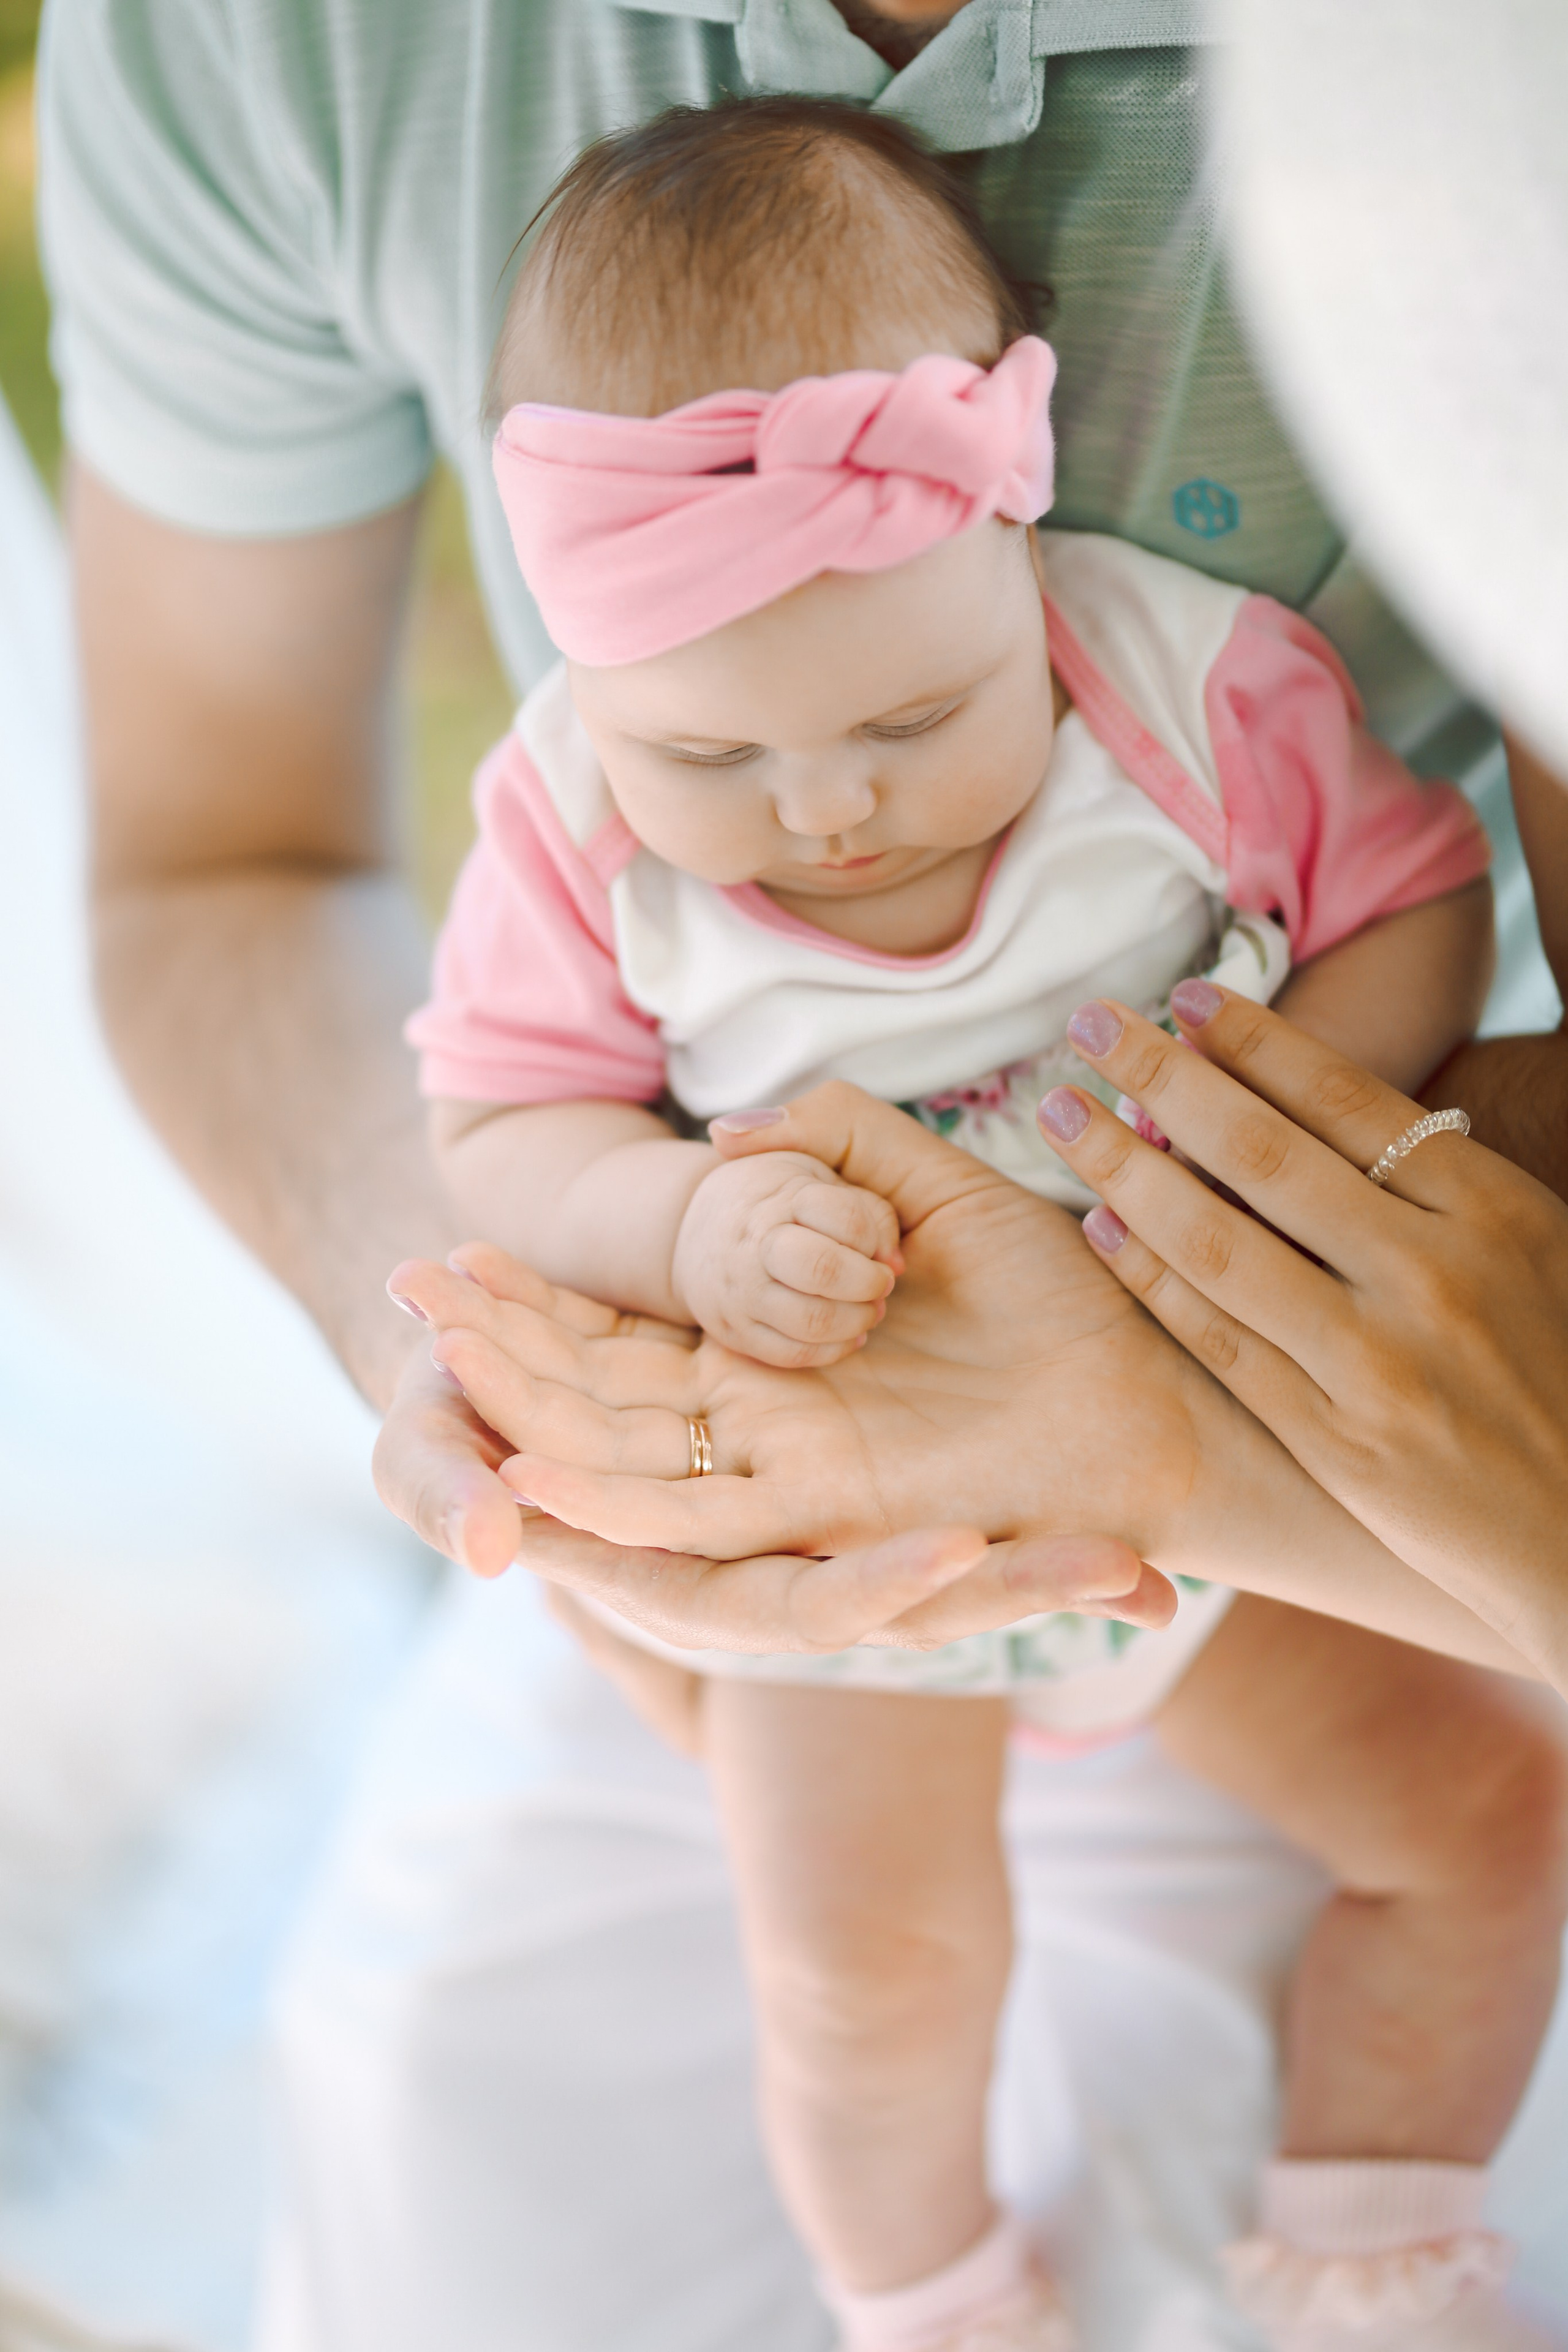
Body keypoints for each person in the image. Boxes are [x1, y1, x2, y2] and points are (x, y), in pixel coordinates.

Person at [387, 102, 1566, 2352]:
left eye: (916, 717)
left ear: (1017, 549)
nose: (825, 810)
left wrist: (1275, 1108)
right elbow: (502, 1110)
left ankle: (1372, 2253)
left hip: (1227, 1460)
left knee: (1486, 1817)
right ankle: (928, 2303)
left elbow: (1411, 897)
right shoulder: (561, 813)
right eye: (710, 766)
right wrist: (679, 1221)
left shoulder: (1187, 680)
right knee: (859, 1974)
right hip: (878, 1510)